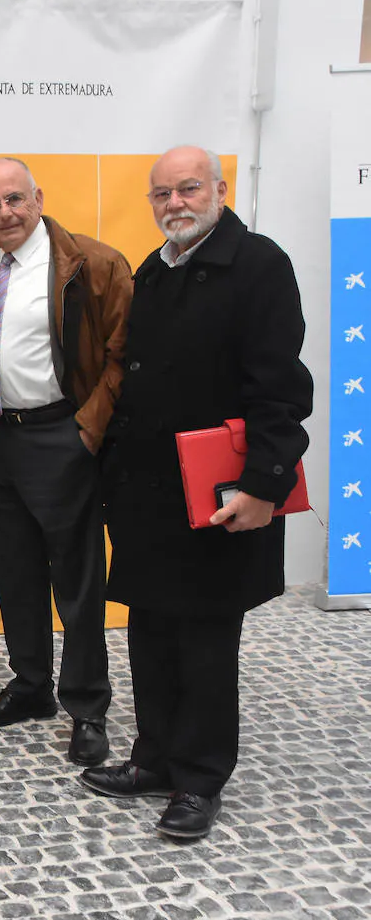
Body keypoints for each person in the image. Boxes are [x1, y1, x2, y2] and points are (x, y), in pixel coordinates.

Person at [81, 146, 312, 840]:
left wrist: (263, 484)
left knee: (207, 641)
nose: (174, 203)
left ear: (218, 189)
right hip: (150, 494)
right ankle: (153, 756)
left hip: (220, 494)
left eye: (188, 189)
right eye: (162, 193)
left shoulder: (260, 265)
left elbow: (279, 387)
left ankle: (200, 777)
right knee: (150, 631)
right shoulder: (154, 269)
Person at [0, 158, 132, 767]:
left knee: (77, 584)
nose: (3, 213)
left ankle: (86, 708)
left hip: (62, 437)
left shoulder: (92, 263)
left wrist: (87, 432)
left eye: (14, 200)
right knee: (16, 575)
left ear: (38, 198)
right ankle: (31, 686)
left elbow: (121, 354)